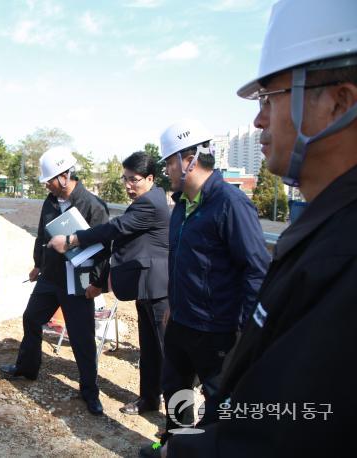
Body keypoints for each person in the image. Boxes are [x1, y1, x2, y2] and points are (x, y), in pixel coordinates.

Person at [162, 1, 357, 456]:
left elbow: (297, 422)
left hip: (216, 334)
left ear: (340, 102)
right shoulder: (322, 223)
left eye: (271, 97)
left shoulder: (339, 252)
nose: (259, 119)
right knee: (181, 401)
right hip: (186, 324)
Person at [140, 120, 270, 457]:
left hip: (218, 333)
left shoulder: (230, 204)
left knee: (218, 404)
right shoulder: (183, 205)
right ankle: (176, 446)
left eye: (169, 162)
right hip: (182, 322)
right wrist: (173, 304)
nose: (167, 169)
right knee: (177, 391)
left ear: (190, 159)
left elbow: (256, 271)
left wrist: (244, 333)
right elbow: (182, 261)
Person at [48, 151, 170, 416]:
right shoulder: (147, 198)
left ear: (149, 178)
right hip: (145, 287)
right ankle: (149, 400)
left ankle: (174, 421)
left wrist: (72, 240)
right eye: (125, 178)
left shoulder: (150, 203)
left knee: (167, 353)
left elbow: (114, 229)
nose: (127, 185)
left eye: (133, 180)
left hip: (160, 291)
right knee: (149, 350)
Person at [0, 146, 109, 415]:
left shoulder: (93, 206)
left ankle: (89, 392)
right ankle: (27, 368)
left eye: (49, 179)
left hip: (79, 281)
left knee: (82, 337)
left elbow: (106, 249)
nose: (46, 184)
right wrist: (38, 263)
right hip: (51, 277)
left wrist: (98, 283)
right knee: (31, 318)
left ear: (64, 175)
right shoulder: (49, 202)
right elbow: (42, 235)